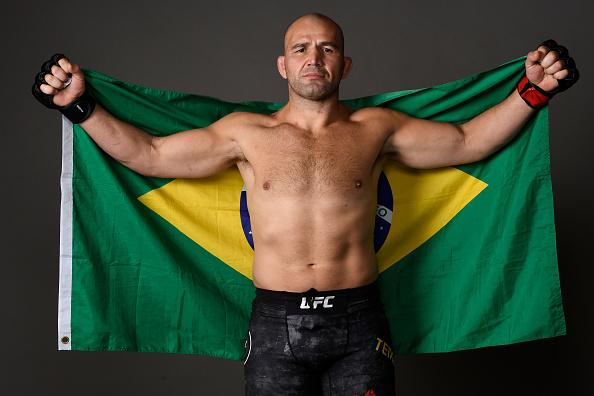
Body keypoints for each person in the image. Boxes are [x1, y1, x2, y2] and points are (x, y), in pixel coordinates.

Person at [33, 12, 578, 396]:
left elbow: (468, 142)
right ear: (282, 65)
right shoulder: (246, 134)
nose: (313, 58)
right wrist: (78, 106)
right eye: (300, 48)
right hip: (274, 324)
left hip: (360, 321)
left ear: (345, 65)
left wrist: (533, 91)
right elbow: (149, 155)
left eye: (327, 48)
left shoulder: (376, 129)